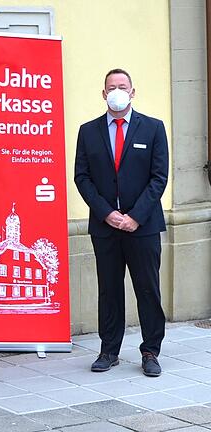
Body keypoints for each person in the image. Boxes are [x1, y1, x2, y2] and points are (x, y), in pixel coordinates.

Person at [74, 68, 168, 377]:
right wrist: (106, 213)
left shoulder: (153, 128)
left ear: (132, 92)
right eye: (111, 86)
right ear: (103, 94)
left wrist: (135, 217)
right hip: (106, 227)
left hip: (143, 227)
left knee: (148, 289)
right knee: (109, 290)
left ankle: (151, 350)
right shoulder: (88, 131)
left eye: (122, 86)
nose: (117, 91)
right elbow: (82, 177)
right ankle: (109, 350)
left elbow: (159, 177)